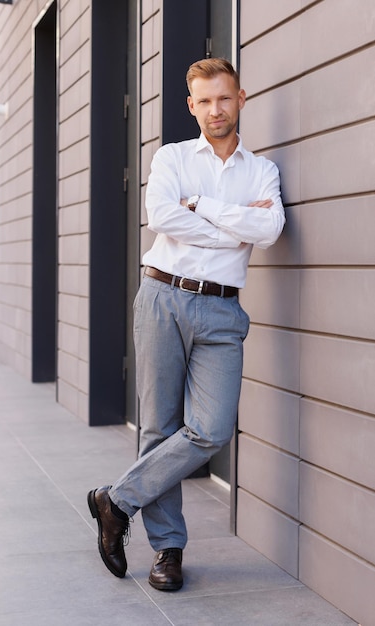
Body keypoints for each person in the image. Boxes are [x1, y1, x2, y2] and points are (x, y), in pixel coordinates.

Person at [87, 57, 285, 592]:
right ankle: (167, 550)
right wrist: (231, 225)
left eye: (224, 98)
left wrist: (203, 207)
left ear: (241, 98)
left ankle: (117, 499)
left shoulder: (261, 170)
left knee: (211, 429)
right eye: (204, 101)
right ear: (190, 105)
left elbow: (268, 228)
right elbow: (163, 217)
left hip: (223, 310)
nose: (214, 110)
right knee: (158, 425)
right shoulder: (172, 157)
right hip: (162, 297)